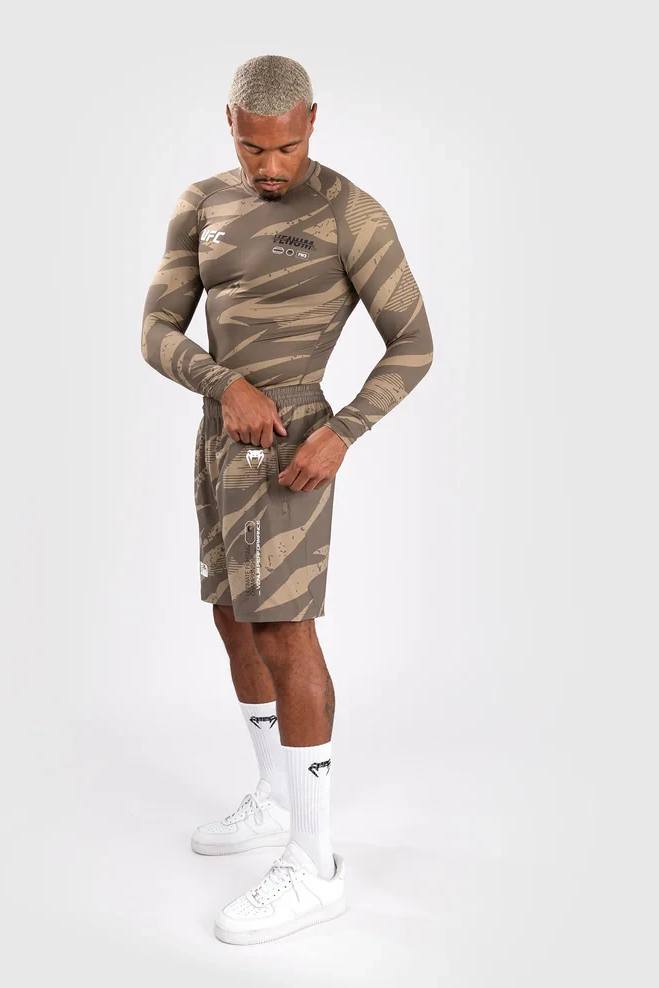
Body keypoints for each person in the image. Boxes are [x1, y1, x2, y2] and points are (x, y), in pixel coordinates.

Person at [140, 54, 434, 945]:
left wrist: (342, 431)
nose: (272, 167)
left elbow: (413, 343)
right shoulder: (201, 204)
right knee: (232, 614)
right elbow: (155, 329)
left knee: (282, 630)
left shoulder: (351, 213)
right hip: (219, 433)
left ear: (312, 120)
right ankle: (273, 797)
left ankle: (313, 865)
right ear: (229, 122)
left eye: (288, 147)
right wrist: (222, 383)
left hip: (294, 443)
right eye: (255, 148)